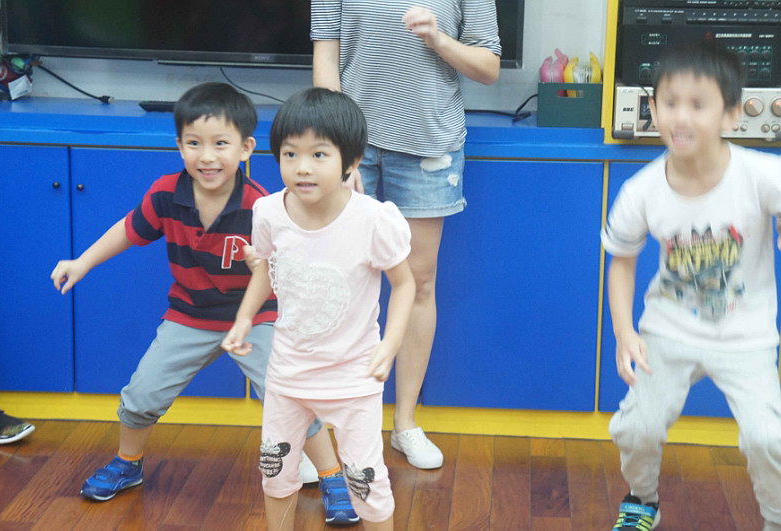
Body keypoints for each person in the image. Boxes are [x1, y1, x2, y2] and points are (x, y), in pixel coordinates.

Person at [50, 82, 358, 525]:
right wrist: (82, 262)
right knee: (140, 396)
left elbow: (286, 266)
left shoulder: (260, 205)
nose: (207, 156)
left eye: (220, 144)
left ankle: (332, 477)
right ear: (179, 146)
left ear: (246, 148)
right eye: (194, 143)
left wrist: (265, 271)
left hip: (254, 317)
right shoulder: (165, 194)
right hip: (190, 315)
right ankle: (128, 463)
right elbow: (129, 229)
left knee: (291, 398)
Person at [311, 0, 501, 469]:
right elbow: (326, 57)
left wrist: (438, 39)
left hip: (428, 147)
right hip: (351, 146)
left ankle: (405, 424)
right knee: (334, 281)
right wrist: (338, 149)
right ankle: (322, 434)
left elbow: (488, 67)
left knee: (418, 281)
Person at [602, 43, 781, 530]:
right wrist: (624, 332)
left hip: (747, 337)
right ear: (653, 108)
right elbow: (621, 262)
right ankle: (642, 500)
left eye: (698, 104)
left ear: (730, 114)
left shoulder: (760, 174)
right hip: (668, 330)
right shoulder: (641, 190)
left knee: (768, 439)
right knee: (636, 428)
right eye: (670, 102)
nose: (681, 116)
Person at [221, 87, 415, 531]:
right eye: (290, 154)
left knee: (367, 482)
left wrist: (390, 345)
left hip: (354, 375)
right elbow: (266, 267)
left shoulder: (372, 219)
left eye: (319, 154)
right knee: (275, 473)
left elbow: (405, 284)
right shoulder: (269, 211)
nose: (302, 167)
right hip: (288, 372)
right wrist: (245, 317)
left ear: (351, 160)